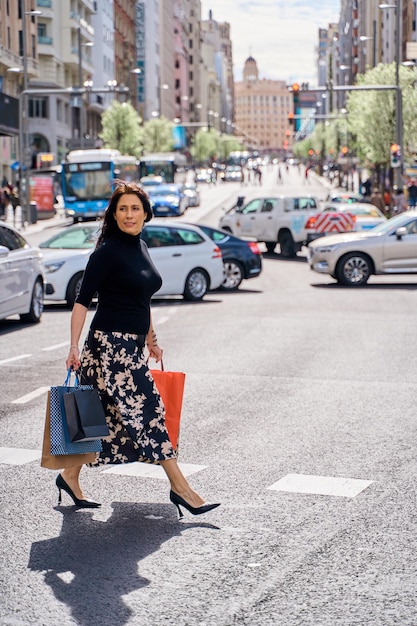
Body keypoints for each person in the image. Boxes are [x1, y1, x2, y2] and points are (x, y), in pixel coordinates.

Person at [59, 181, 220, 518]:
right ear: (113, 215)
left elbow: (142, 300)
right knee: (149, 411)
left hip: (131, 347)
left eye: (134, 208)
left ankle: (69, 476)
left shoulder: (141, 246)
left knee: (101, 418)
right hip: (108, 347)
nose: (129, 215)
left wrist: (151, 339)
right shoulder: (106, 252)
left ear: (146, 213)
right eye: (122, 209)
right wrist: (73, 346)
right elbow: (81, 303)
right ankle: (182, 488)